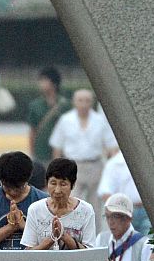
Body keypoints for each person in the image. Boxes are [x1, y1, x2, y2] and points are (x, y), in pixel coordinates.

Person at [49, 89, 118, 230]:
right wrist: (57, 171)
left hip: (95, 165)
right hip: (72, 166)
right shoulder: (66, 120)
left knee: (95, 206)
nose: (84, 104)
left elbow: (111, 146)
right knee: (71, 202)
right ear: (74, 102)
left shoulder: (100, 121)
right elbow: (57, 146)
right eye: (80, 100)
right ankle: (71, 233)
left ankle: (94, 237)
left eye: (87, 101)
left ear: (92, 102)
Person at [20, 158, 96, 261]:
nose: (57, 190)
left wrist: (64, 236)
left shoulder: (86, 210)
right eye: (53, 183)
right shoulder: (35, 209)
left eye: (63, 184)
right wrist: (51, 239)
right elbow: (29, 254)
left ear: (73, 185)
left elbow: (89, 253)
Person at [97, 151, 151, 235]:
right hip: (124, 212)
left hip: (147, 210)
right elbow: (105, 192)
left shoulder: (149, 160)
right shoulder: (114, 163)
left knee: (148, 243)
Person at [27, 67, 71, 165]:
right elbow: (32, 131)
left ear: (54, 84)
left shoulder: (66, 105)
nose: (40, 84)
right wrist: (32, 153)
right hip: (41, 154)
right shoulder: (35, 105)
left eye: (44, 80)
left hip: (63, 154)